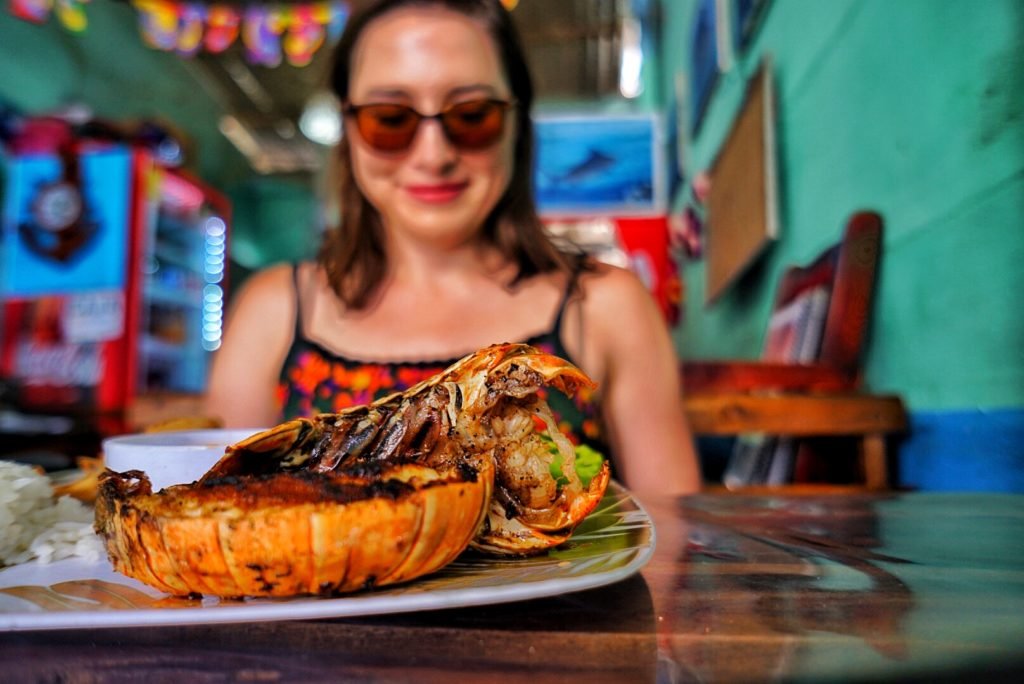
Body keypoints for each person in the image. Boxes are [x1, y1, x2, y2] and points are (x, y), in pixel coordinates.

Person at [204, 0, 701, 497]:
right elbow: (212, 514)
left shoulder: (604, 305)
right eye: (390, 118)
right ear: (348, 130)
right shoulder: (273, 310)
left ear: (516, 123)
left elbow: (675, 533)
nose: (433, 154)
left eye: (472, 115)